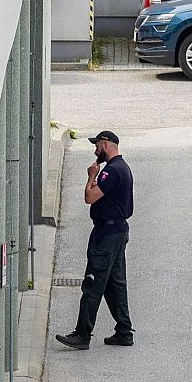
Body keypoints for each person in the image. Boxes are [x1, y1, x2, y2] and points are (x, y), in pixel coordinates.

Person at [56, 131, 135, 349]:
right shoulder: (122, 167)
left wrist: (91, 176)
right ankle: (124, 331)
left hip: (107, 235)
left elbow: (89, 197)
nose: (95, 150)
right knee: (114, 283)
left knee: (93, 283)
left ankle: (82, 334)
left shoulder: (112, 171)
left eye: (97, 146)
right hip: (118, 231)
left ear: (106, 144)